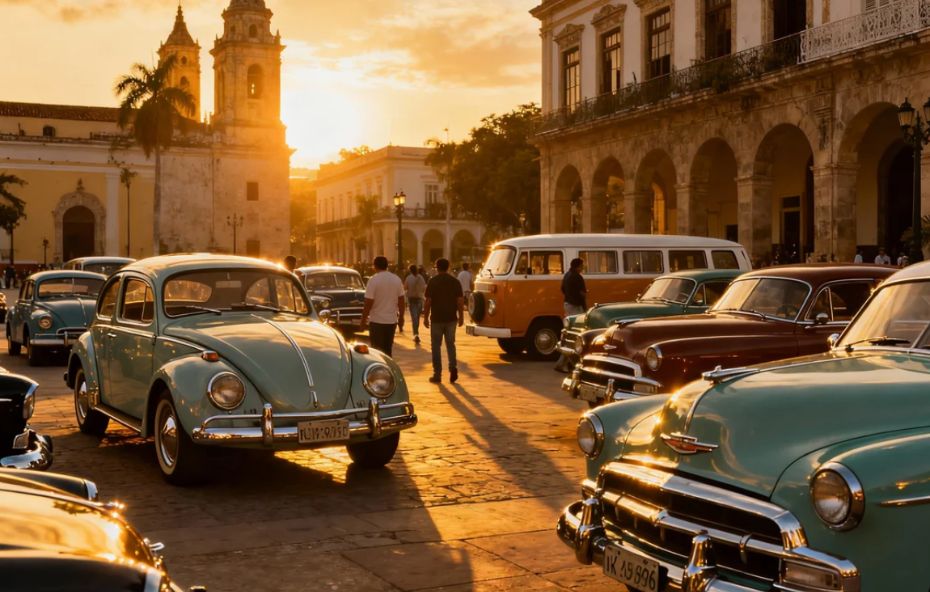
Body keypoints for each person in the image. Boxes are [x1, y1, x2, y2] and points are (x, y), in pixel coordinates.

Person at [424, 258, 464, 384]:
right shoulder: (455, 281)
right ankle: (453, 368)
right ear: (448, 267)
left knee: (436, 346)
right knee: (450, 344)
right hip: (451, 318)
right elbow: (460, 301)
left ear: (437, 267)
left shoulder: (433, 281)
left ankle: (437, 374)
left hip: (437, 318)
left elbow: (428, 301)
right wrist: (461, 316)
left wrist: (425, 317)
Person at [359, 256, 405, 356]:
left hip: (376, 321)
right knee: (388, 350)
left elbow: (368, 302)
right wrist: (401, 317)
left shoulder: (373, 280)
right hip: (391, 321)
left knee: (377, 352)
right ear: (387, 265)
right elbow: (401, 300)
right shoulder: (396, 279)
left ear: (374, 266)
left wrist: (363, 320)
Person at [404, 264, 427, 344]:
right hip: (419, 299)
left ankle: (416, 334)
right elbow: (424, 288)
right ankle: (416, 333)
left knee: (414, 318)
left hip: (412, 299)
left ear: (410, 270)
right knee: (416, 317)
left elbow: (405, 287)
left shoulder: (409, 278)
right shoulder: (421, 278)